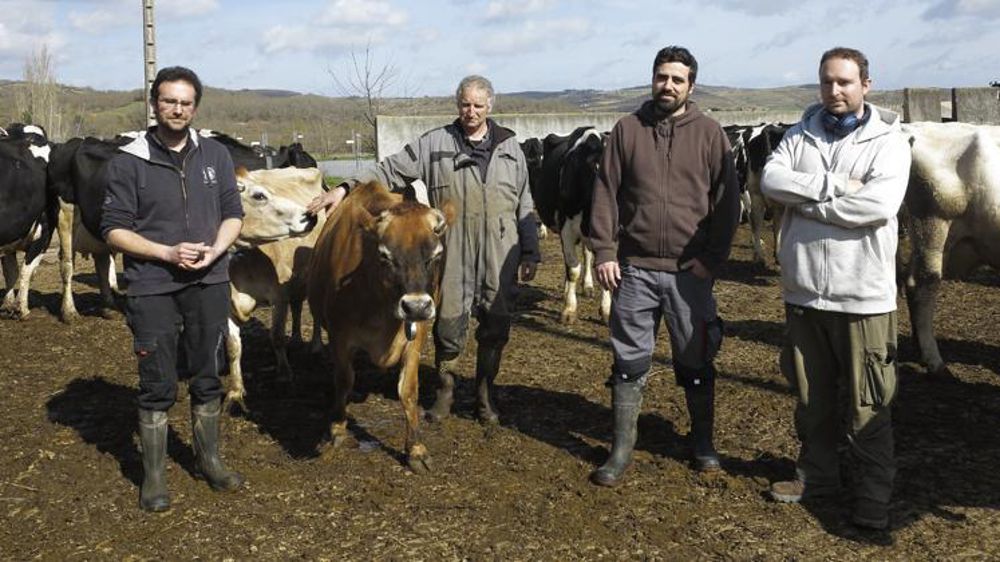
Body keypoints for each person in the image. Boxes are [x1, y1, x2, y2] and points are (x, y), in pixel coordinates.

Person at [309, 75, 540, 425]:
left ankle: (485, 394)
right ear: (457, 104)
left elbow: (525, 203)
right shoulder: (435, 143)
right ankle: (445, 391)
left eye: (478, 105)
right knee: (447, 324)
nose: (471, 111)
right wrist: (344, 188)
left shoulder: (511, 148)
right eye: (465, 104)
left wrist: (530, 251)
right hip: (451, 250)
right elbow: (388, 169)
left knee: (497, 322)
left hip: (501, 248)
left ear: (490, 105)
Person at [760, 47, 910, 530]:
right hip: (804, 293)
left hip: (863, 296)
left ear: (866, 84)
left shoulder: (889, 141)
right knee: (812, 400)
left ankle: (872, 498)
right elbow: (771, 180)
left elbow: (877, 206)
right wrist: (837, 185)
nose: (834, 91)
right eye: (826, 81)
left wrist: (806, 204)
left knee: (869, 404)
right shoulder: (799, 133)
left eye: (844, 82)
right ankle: (818, 476)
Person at [588, 46, 740, 487]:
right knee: (629, 359)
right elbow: (605, 192)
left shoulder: (710, 134)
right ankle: (621, 448)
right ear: (652, 79)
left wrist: (711, 258)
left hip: (688, 272)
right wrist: (604, 252)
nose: (667, 85)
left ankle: (703, 443)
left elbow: (727, 201)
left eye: (677, 79)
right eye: (661, 77)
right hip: (634, 269)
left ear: (691, 85)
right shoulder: (627, 129)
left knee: (696, 355)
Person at [101, 66, 245, 512]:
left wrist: (216, 251)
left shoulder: (215, 154)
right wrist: (166, 253)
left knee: (207, 374)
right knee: (157, 381)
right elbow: (113, 230)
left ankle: (210, 460)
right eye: (169, 101)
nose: (177, 109)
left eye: (185, 102)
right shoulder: (128, 161)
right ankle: (155, 477)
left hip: (208, 281)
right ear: (154, 104)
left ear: (195, 107)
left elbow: (233, 214)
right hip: (151, 285)